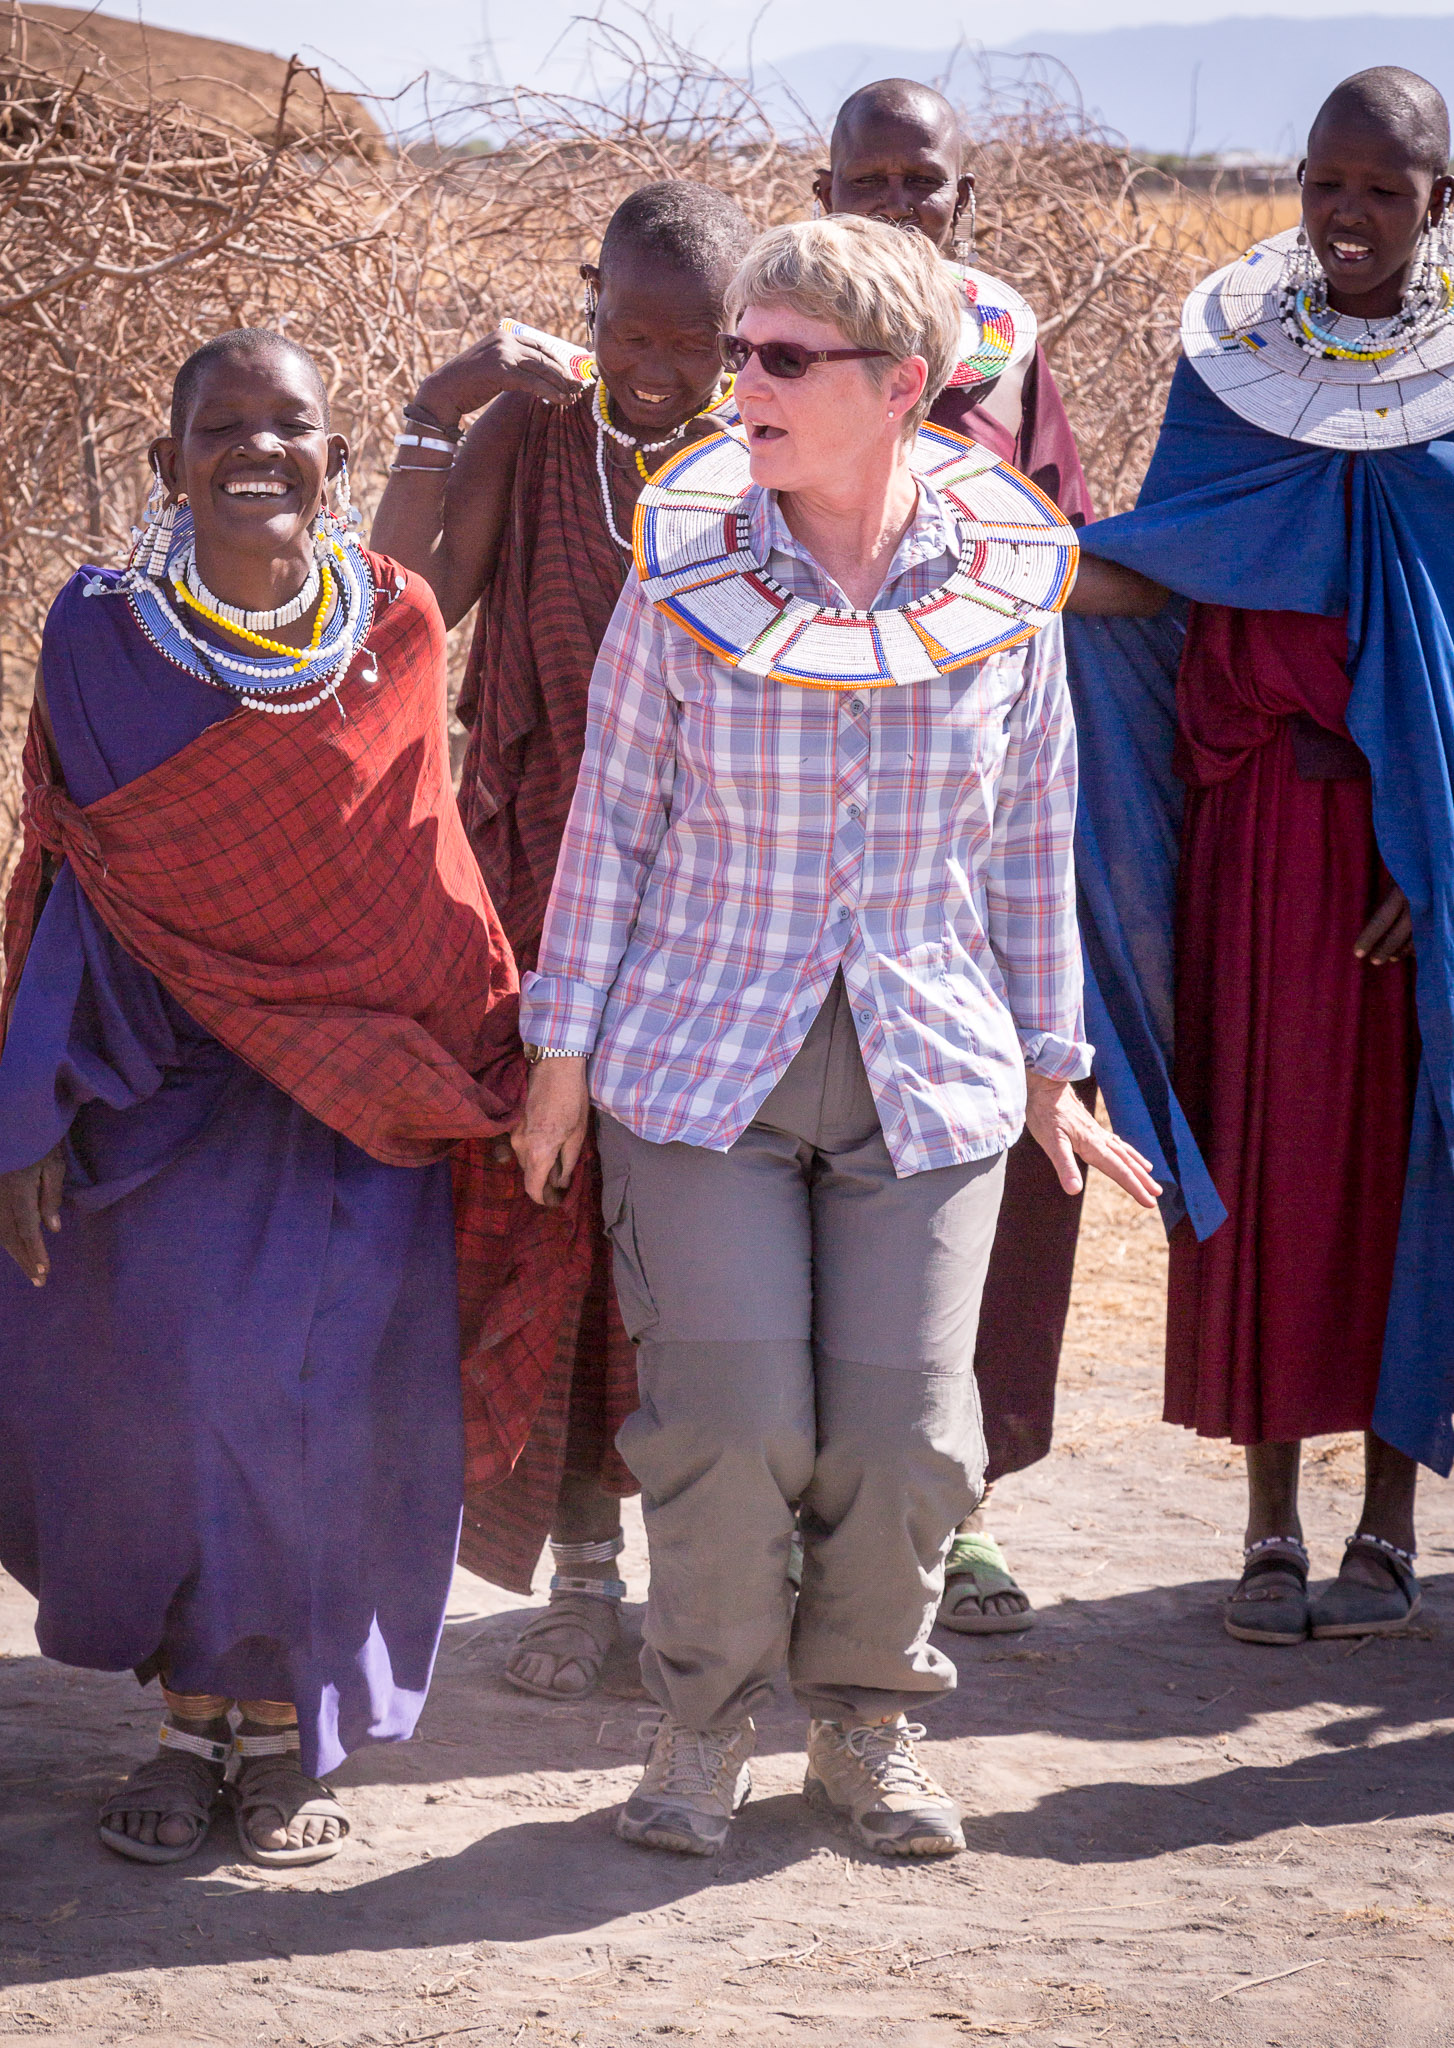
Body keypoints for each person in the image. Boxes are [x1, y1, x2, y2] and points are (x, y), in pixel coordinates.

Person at [515, 214, 1160, 1859]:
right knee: (729, 1421)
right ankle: (701, 1730)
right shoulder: (688, 572)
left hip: (926, 1067)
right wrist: (558, 1059)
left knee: (907, 1433)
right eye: (742, 352)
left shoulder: (1004, 590)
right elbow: (612, 825)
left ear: (899, 386)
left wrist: (1049, 1066)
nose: (744, 384)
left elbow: (1033, 835)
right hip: (695, 1063)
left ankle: (866, 1727)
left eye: (783, 359)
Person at [0, 330, 536, 1866]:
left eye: (292, 428)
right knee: (178, 1405)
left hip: (359, 1095)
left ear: (339, 460)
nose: (257, 452)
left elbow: (415, 872)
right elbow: (86, 879)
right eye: (222, 427)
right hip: (159, 1084)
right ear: (166, 461)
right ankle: (188, 1718)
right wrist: (29, 1108)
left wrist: (487, 1062)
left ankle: (285, 1738)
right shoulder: (97, 628)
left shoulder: (392, 622)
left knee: (330, 1416)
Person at [1067, 67, 1454, 1645]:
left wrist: (1434, 856)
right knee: (1268, 1175)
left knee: (1396, 1181)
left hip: (1410, 870)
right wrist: (998, 570)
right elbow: (1164, 575)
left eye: (1382, 187)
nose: (1345, 214)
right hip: (1249, 846)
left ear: (1439, 205)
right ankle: (1266, 1525)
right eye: (1321, 183)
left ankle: (1386, 1529)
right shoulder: (1221, 372)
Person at [372, 181, 753, 1702]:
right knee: (558, 1231)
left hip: (714, 911)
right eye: (623, 331)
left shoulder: (765, 471)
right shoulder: (532, 439)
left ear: (738, 346)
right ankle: (582, 1579)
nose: (650, 366)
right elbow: (402, 609)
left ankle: (703, 1586)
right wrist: (432, 405)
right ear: (584, 307)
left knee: (700, 1252)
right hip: (531, 895)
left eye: (689, 342)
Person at [815, 76, 1096, 1634]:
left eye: (921, 183)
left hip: (956, 853)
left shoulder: (1003, 357)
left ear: (959, 203)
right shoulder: (767, 339)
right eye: (869, 177)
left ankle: (957, 1511)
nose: (895, 204)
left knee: (970, 1181)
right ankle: (803, 1534)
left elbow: (1050, 561)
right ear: (821, 183)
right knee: (788, 1188)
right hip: (792, 855)